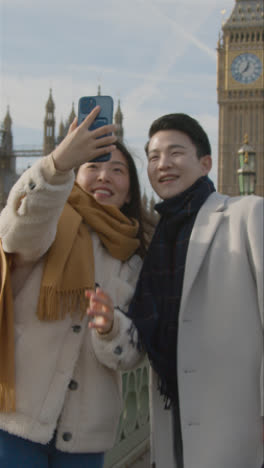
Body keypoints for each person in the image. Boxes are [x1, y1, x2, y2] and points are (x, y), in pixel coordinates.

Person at [0, 106, 144, 468]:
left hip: (86, 435)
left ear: (130, 191)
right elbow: (16, 233)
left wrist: (112, 328)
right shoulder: (47, 222)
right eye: (92, 166)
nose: (104, 176)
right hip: (14, 421)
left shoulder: (137, 259)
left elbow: (135, 353)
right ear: (75, 176)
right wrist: (58, 163)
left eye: (117, 170)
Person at [128, 113, 264, 468]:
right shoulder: (156, 242)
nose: (163, 164)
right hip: (173, 429)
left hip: (238, 428)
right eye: (154, 157)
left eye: (175, 153)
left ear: (206, 163)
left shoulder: (248, 215)